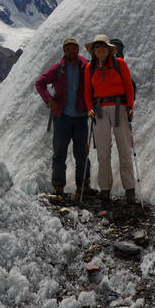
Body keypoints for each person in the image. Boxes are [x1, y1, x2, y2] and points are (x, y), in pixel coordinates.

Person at [34, 37, 91, 199]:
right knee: (60, 152)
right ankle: (59, 186)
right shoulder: (59, 68)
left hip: (80, 117)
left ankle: (83, 185)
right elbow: (40, 83)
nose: (71, 51)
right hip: (63, 117)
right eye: (68, 48)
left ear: (78, 49)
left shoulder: (85, 66)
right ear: (64, 51)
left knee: (81, 153)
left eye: (74, 48)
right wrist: (49, 100)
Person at [83, 34, 136, 203]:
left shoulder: (119, 64)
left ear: (109, 49)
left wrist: (130, 106)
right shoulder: (89, 68)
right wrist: (89, 107)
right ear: (94, 50)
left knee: (124, 149)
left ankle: (129, 189)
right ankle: (105, 188)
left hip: (119, 108)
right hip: (99, 110)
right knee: (103, 151)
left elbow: (128, 86)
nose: (100, 49)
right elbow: (87, 92)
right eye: (97, 47)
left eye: (103, 47)